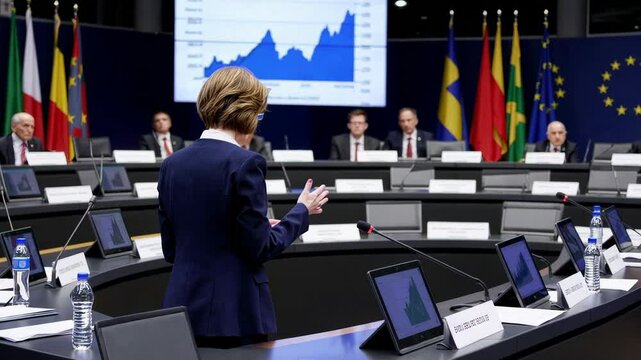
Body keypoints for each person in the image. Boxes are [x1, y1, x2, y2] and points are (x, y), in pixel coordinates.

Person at [158, 67, 328, 348]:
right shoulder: (246, 163)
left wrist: (255, 228)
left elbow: (172, 248)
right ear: (245, 110)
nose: (258, 121)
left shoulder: (171, 164)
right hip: (233, 314)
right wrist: (301, 212)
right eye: (259, 113)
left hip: (181, 308)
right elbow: (259, 248)